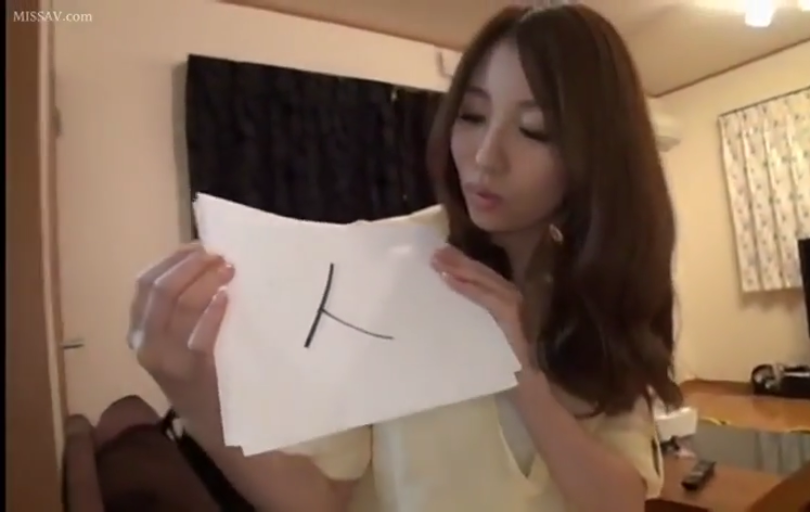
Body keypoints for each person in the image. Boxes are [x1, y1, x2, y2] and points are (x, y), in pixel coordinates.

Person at [130, 4, 681, 512]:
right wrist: (192, 392)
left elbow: (620, 502)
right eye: (471, 115)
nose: (485, 157)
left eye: (535, 130)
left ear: (596, 153)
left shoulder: (599, 288)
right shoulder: (387, 265)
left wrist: (523, 376)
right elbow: (319, 500)